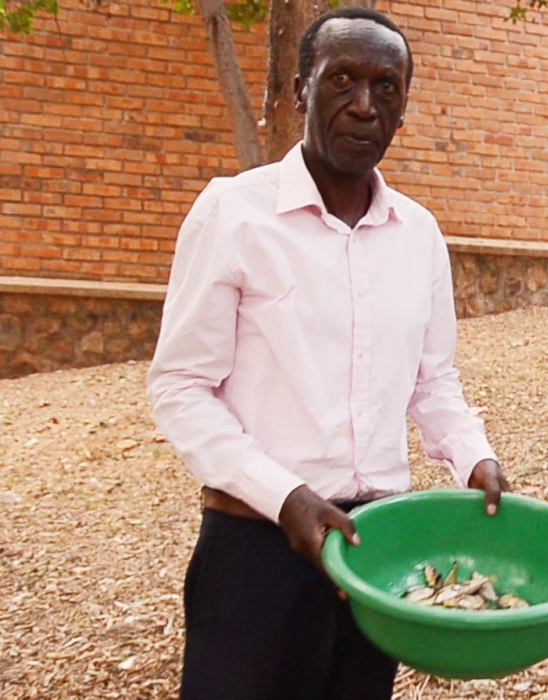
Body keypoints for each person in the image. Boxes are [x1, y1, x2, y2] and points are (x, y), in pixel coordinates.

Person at [146, 8, 511, 699]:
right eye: (341, 79)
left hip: (376, 556)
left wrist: (473, 456)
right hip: (254, 552)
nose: (365, 105)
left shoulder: (419, 234)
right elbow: (180, 388)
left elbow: (434, 383)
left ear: (404, 110)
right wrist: (284, 498)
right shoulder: (233, 213)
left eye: (387, 87)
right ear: (299, 91)